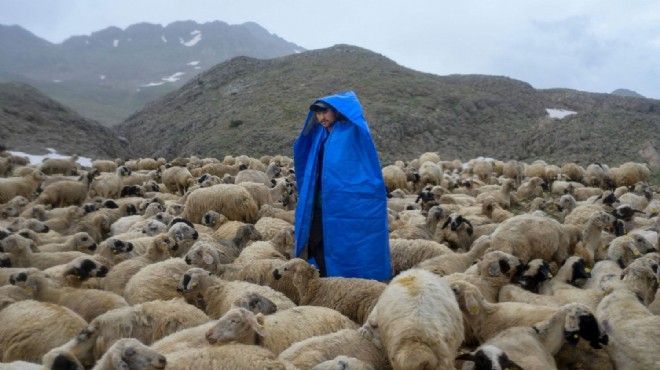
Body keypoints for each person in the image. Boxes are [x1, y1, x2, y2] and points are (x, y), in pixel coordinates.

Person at [293, 91, 392, 281]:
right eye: (318, 113)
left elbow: (361, 169)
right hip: (319, 201)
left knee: (347, 242)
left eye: (325, 112)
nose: (321, 117)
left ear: (336, 112)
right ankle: (323, 281)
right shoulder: (319, 137)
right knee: (314, 240)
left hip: (344, 203)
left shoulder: (351, 135)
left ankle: (346, 282)